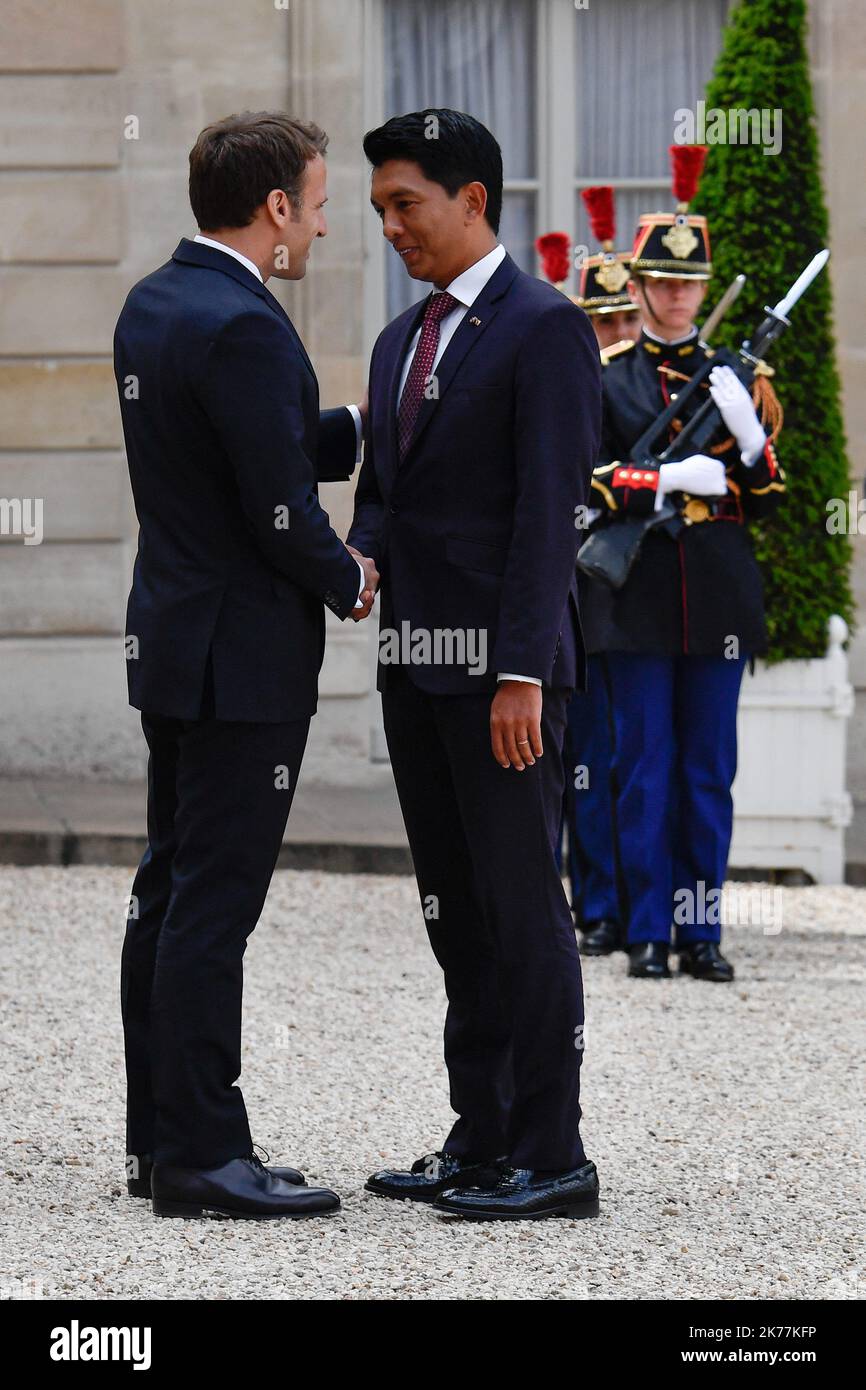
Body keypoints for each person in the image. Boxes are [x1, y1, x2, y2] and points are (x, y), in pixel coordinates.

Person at [114, 111, 378, 1220]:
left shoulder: (156, 302)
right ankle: (205, 1157)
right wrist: (349, 575)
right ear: (273, 207)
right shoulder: (246, 324)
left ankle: (156, 1137)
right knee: (212, 907)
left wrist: (362, 428)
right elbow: (277, 510)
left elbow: (231, 446)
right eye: (316, 202)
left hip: (174, 636)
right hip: (241, 660)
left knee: (166, 893)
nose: (321, 222)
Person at [348, 109, 603, 1220]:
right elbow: (382, 498)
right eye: (377, 211)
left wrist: (520, 676)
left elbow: (550, 513)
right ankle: (481, 1133)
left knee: (521, 910)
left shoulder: (543, 326)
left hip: (503, 682)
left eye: (405, 204)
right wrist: (354, 556)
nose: (391, 227)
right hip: (414, 670)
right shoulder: (398, 340)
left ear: (472, 200)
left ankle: (553, 1153)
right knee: (455, 914)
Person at [579, 145, 785, 982]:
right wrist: (662, 477)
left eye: (686, 283)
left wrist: (746, 434)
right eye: (659, 283)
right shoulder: (608, 377)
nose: (672, 295)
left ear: (703, 288)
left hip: (719, 599)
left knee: (708, 772)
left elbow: (769, 492)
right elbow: (585, 481)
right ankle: (646, 931)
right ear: (639, 284)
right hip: (638, 596)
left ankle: (701, 929)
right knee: (642, 772)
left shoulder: (739, 378)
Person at [537, 192, 641, 956]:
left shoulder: (646, 383)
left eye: (626, 322)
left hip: (639, 593)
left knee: (632, 762)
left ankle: (641, 908)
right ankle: (594, 905)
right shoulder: (577, 382)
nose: (618, 336)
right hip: (579, 589)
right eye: (604, 323)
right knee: (583, 762)